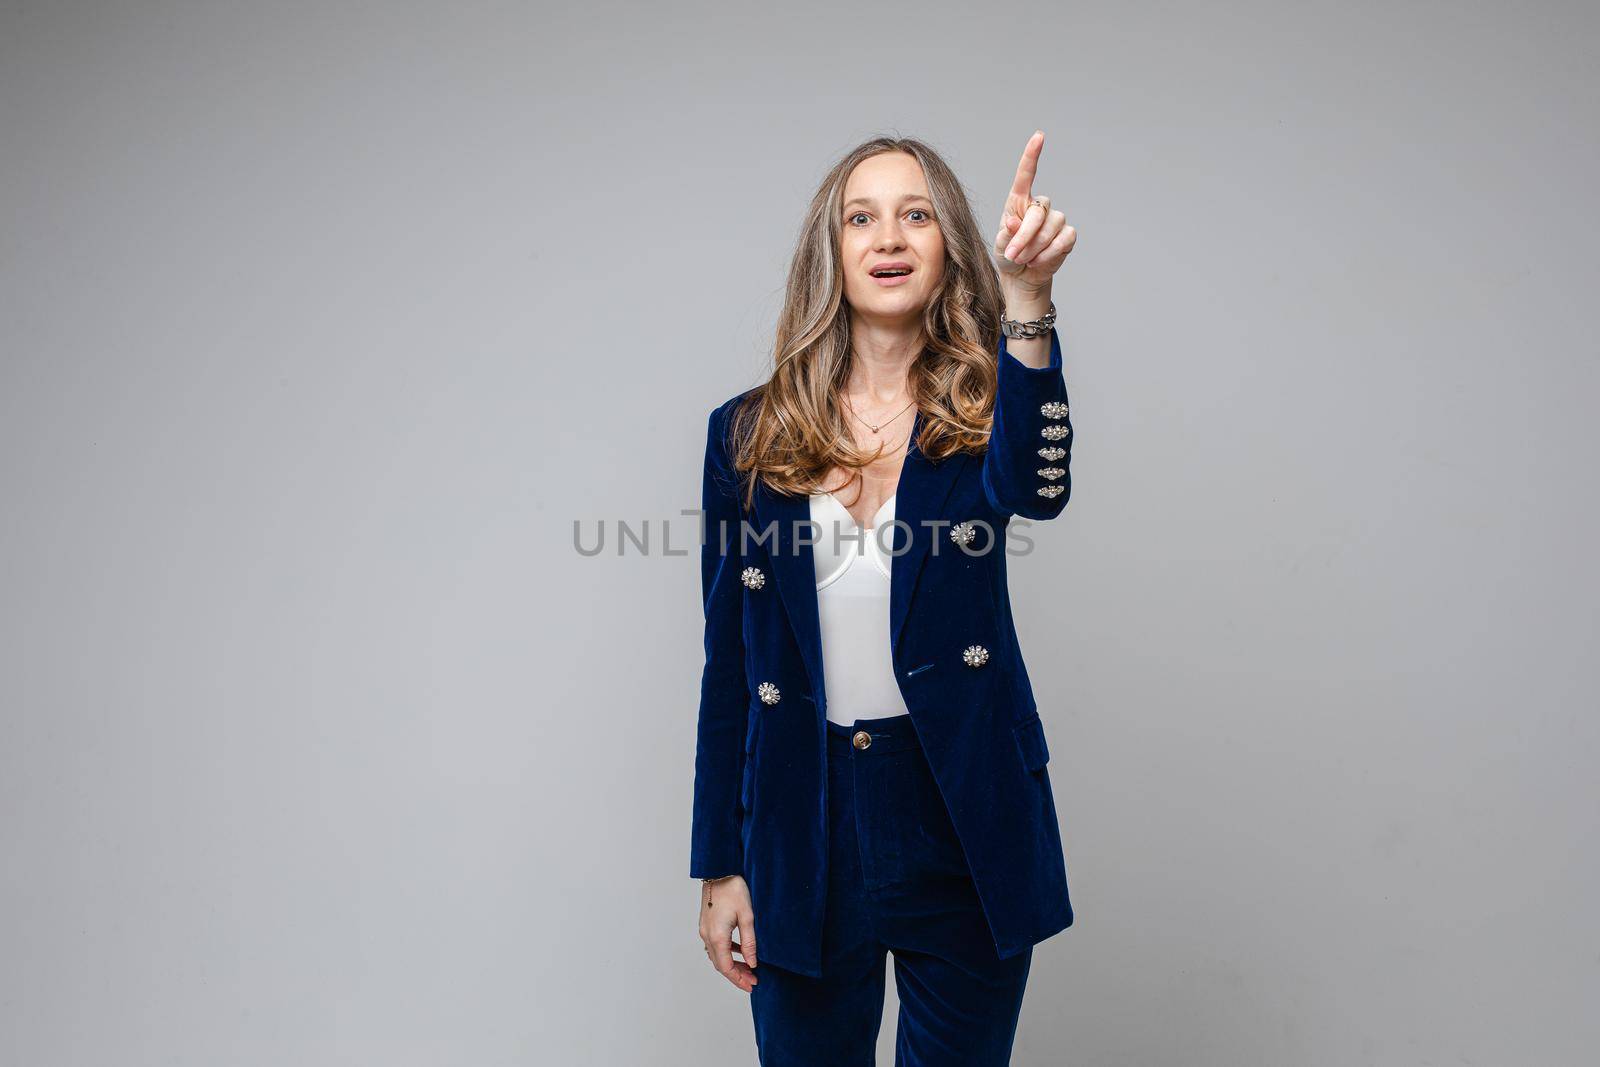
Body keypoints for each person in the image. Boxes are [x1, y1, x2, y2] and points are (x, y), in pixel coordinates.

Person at [691, 130, 1079, 1065]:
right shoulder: (747, 432)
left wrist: (1029, 300)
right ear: (832, 251)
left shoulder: (989, 408)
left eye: (916, 214)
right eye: (861, 217)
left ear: (948, 245)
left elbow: (1040, 487)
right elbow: (731, 664)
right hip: (800, 814)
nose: (888, 236)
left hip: (958, 805)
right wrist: (720, 860)